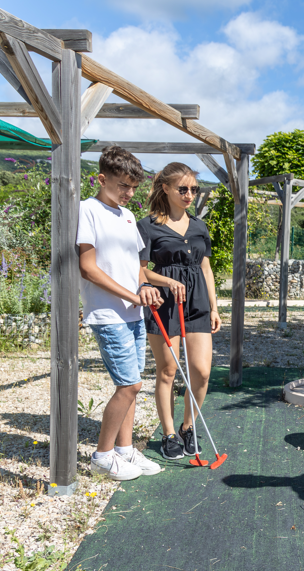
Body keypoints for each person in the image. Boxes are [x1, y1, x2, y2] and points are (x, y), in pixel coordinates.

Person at [77, 146, 164, 481]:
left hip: (133, 313)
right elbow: (88, 268)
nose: (129, 193)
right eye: (123, 186)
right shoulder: (88, 210)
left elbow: (136, 267)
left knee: (133, 385)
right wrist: (132, 295)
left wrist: (144, 288)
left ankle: (125, 450)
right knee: (129, 385)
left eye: (133, 187)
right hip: (108, 314)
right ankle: (102, 456)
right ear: (102, 179)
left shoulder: (127, 216)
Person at [138, 163, 221, 460]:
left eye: (194, 189)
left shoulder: (199, 226)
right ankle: (169, 433)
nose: (189, 195)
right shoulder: (147, 225)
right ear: (166, 188)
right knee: (168, 371)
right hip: (164, 303)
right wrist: (167, 281)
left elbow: (206, 268)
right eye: (183, 189)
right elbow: (140, 271)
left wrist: (214, 307)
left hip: (197, 303)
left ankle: (188, 427)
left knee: (202, 372)